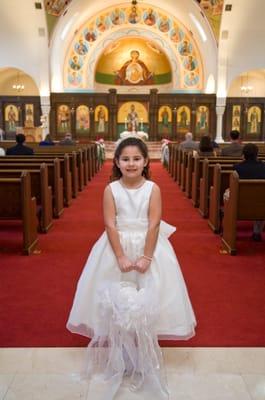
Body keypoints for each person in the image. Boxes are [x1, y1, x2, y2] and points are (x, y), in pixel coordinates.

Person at [67, 137, 196, 398]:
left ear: (146, 161)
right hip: (117, 247)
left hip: (149, 246)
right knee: (117, 299)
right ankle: (122, 353)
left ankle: (144, 350)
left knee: (150, 295)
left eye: (136, 158)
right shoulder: (111, 189)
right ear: (116, 161)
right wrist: (121, 257)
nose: (131, 163)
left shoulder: (153, 188)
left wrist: (147, 257)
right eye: (125, 159)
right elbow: (110, 224)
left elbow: (154, 224)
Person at [233, 143, 265, 241]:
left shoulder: (237, 167)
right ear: (257, 154)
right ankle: (257, 232)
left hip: (239, 203)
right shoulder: (264, 167)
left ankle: (229, 231)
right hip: (262, 203)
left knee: (227, 194)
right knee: (261, 197)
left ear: (243, 154)